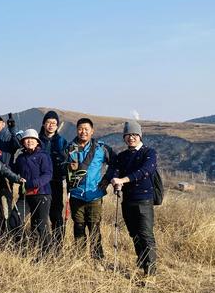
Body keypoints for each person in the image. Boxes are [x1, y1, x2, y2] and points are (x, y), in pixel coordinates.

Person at [105, 120, 158, 279]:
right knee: (134, 234)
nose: (131, 138)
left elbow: (145, 171)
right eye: (128, 135)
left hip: (144, 200)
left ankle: (150, 273)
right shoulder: (122, 156)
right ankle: (142, 264)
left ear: (140, 136)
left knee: (146, 235)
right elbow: (115, 171)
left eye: (134, 135)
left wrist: (124, 180)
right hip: (127, 200)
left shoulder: (149, 152)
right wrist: (115, 181)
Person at [65, 118, 114, 266]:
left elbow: (115, 164)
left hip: (94, 194)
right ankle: (79, 258)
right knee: (78, 226)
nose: (83, 131)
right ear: (76, 130)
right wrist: (68, 167)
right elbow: (61, 167)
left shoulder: (101, 148)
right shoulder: (69, 148)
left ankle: (97, 259)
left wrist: (106, 179)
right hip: (76, 193)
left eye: (86, 129)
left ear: (92, 131)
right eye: (80, 128)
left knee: (94, 227)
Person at [14, 129, 53, 257]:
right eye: (27, 139)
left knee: (41, 226)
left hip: (42, 194)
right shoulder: (20, 158)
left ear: (37, 142)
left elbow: (48, 175)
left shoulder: (43, 156)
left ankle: (46, 255)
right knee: (15, 217)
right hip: (25, 196)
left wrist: (32, 183)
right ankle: (21, 248)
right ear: (23, 142)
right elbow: (13, 171)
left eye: (32, 139)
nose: (29, 141)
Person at [38, 111, 68, 251]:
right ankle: (41, 244)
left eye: (54, 123)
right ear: (43, 123)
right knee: (39, 214)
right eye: (48, 122)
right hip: (39, 183)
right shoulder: (36, 139)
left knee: (56, 213)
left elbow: (68, 161)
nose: (51, 125)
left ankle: (57, 246)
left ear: (57, 126)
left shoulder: (62, 141)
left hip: (55, 182)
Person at [0, 114, 22, 232]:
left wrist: (13, 130)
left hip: (5, 178)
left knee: (6, 207)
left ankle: (7, 234)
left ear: (3, 124)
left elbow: (18, 145)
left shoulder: (8, 137)